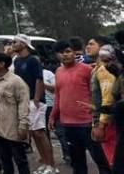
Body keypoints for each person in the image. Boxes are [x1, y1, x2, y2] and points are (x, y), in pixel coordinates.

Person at [50, 40, 108, 174]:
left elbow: (97, 94)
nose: (65, 55)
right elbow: (58, 96)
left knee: (100, 159)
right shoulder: (58, 71)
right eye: (61, 52)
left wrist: (97, 117)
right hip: (67, 124)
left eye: (67, 51)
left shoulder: (87, 70)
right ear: (56, 55)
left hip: (87, 122)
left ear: (74, 53)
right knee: (77, 162)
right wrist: (53, 116)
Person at [0, 51, 31, 174]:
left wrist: (23, 125)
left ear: (2, 64)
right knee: (4, 159)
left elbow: (23, 104)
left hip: (12, 128)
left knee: (20, 160)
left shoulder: (16, 82)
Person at [13, 35, 56, 174]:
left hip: (35, 100)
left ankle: (51, 165)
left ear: (24, 44)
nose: (13, 44)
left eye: (15, 42)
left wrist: (37, 98)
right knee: (33, 133)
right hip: (24, 100)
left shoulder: (33, 60)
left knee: (40, 133)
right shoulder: (17, 60)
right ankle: (44, 162)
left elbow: (39, 79)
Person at [92, 45, 119, 169]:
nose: (88, 47)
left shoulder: (104, 70)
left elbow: (107, 98)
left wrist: (100, 125)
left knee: (113, 159)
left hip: (110, 121)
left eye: (91, 44)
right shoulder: (100, 69)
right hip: (112, 118)